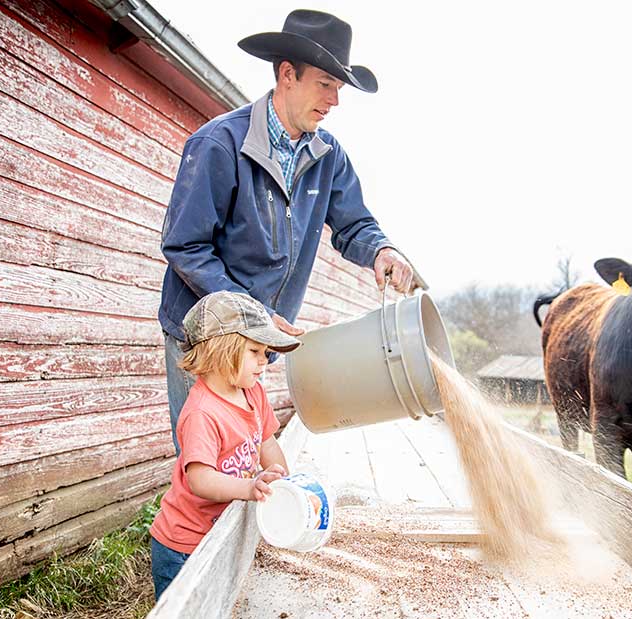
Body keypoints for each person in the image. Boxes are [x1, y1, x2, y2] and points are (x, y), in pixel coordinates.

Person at [158, 9, 418, 453]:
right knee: (204, 466)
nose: (334, 100)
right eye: (325, 84)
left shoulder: (327, 154)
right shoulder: (220, 144)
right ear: (287, 74)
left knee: (247, 458)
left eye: (338, 89)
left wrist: (380, 251)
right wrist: (252, 311)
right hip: (205, 337)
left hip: (259, 341)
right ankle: (190, 527)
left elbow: (354, 222)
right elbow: (186, 246)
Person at [149, 290, 302, 599]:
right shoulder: (202, 412)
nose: (264, 361)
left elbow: (266, 442)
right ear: (221, 350)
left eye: (266, 352)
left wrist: (282, 481)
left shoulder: (253, 393)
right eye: (255, 352)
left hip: (218, 531)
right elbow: (200, 480)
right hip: (184, 545)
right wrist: (249, 488)